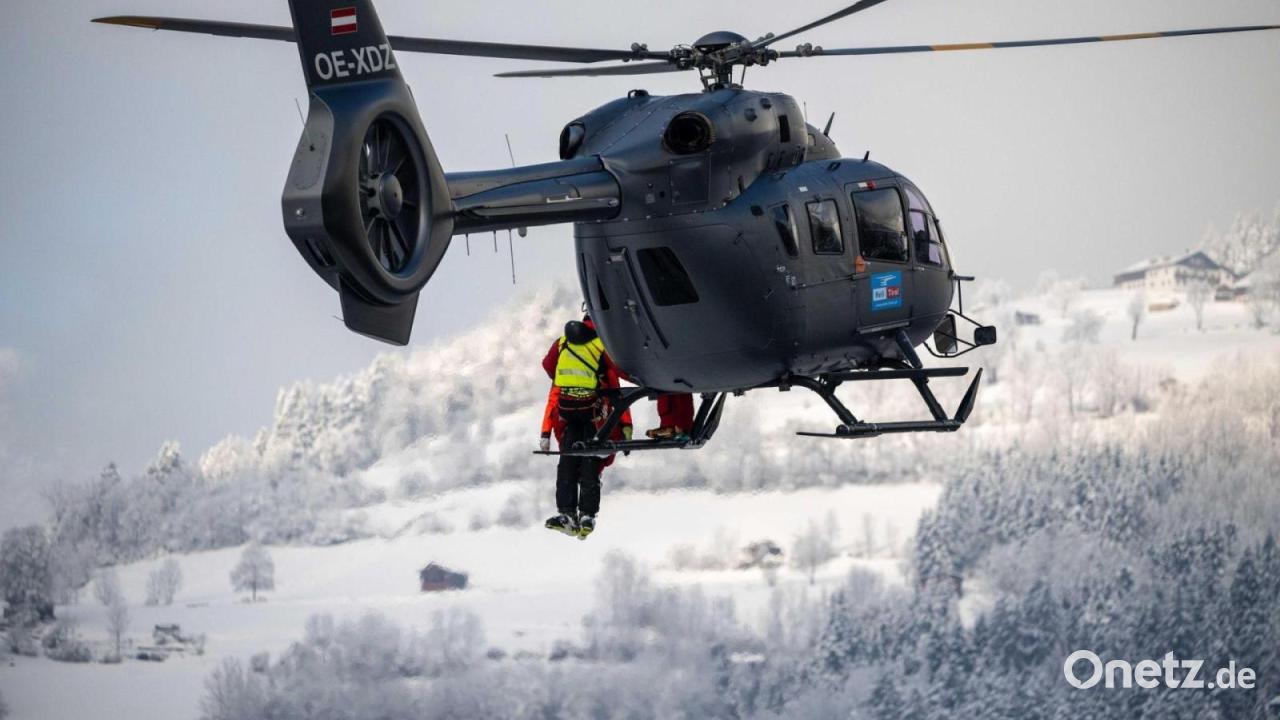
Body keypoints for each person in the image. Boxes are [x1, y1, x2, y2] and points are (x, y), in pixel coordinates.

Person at [540, 315, 630, 539]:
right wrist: (626, 425)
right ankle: (587, 514)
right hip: (593, 414)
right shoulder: (602, 343)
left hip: (568, 412)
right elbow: (619, 375)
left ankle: (566, 513)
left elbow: (548, 366)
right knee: (591, 462)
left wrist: (546, 432)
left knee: (568, 462)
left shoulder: (562, 342)